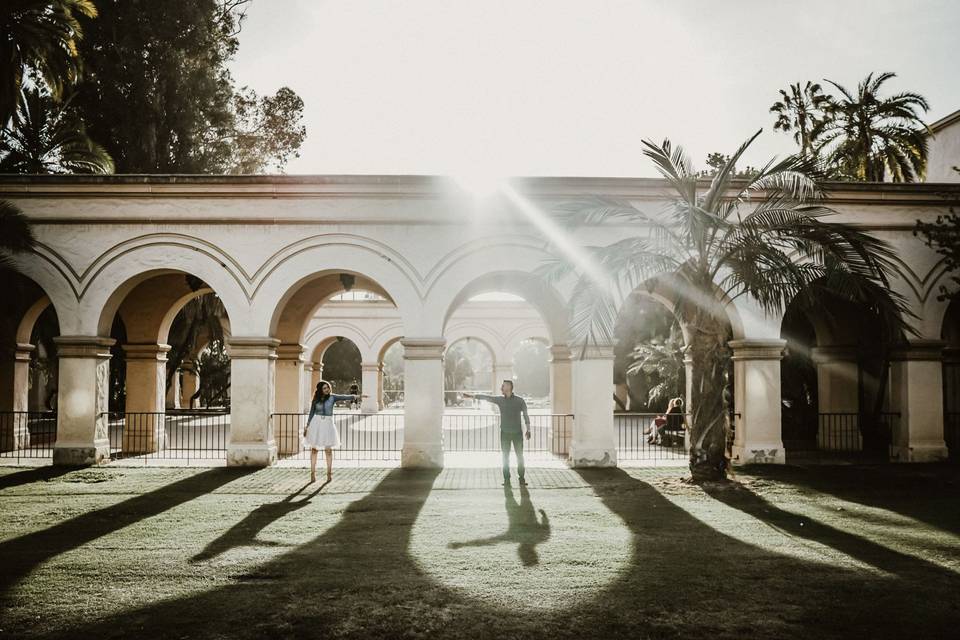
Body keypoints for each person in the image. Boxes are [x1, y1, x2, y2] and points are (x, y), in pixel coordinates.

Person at [464, 380, 531, 486]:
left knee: (519, 456)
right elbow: (487, 397)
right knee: (505, 457)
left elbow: (526, 415)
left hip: (517, 433)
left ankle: (521, 478)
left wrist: (529, 429)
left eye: (503, 386)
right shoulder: (500, 400)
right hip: (504, 433)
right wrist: (472, 396)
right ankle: (507, 480)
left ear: (509, 387)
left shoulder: (520, 401)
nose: (501, 388)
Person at [303, 380, 365, 483]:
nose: (327, 390)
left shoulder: (332, 397)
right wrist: (307, 425)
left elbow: (344, 396)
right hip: (316, 424)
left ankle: (329, 473)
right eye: (324, 388)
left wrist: (357, 396)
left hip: (328, 424)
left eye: (327, 387)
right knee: (314, 450)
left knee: (328, 450)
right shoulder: (315, 400)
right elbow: (311, 413)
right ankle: (313, 473)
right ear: (320, 390)